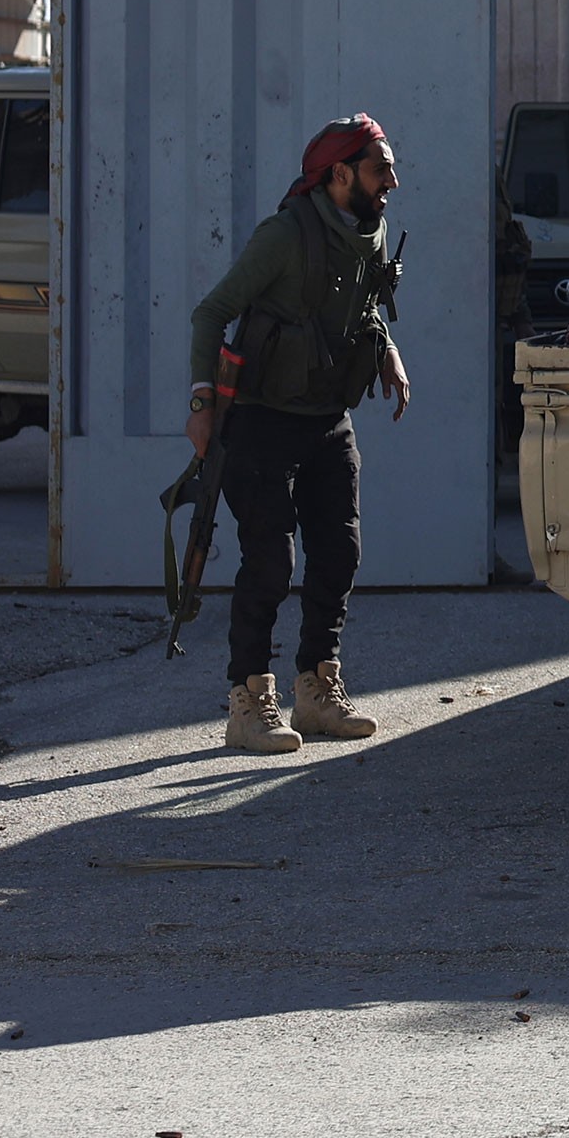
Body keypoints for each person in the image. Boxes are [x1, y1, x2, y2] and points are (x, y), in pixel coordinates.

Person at [186, 115, 415, 754]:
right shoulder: (284, 237)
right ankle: (248, 701)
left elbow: (362, 307)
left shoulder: (370, 229)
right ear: (339, 174)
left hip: (325, 419)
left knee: (339, 552)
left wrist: (388, 350)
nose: (392, 181)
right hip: (259, 420)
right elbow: (213, 312)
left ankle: (316, 692)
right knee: (270, 561)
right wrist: (202, 403)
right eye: (379, 168)